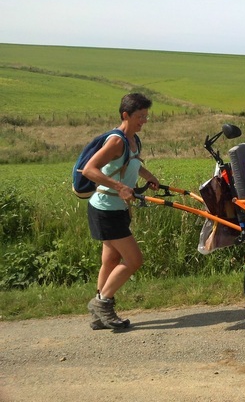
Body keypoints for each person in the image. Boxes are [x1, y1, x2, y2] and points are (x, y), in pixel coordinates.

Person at [83, 93, 159, 329]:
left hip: (116, 209)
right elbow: (89, 170)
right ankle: (102, 303)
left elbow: (133, 162)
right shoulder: (116, 141)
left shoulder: (133, 139)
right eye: (140, 116)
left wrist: (149, 176)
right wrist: (120, 187)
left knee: (111, 260)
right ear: (125, 115)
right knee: (134, 260)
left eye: (146, 116)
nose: (144, 120)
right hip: (105, 209)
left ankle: (98, 317)